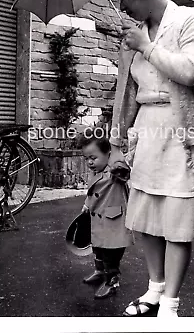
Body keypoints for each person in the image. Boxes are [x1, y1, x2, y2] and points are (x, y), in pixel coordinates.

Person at [106, 0, 194, 317]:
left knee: (178, 224)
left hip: (184, 137)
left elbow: (188, 72)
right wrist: (118, 145)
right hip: (147, 137)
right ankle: (154, 289)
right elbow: (126, 95)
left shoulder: (193, 20)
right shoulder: (133, 37)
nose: (121, 7)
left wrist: (147, 47)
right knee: (148, 221)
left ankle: (170, 303)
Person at [79, 128, 133, 299]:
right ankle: (100, 271)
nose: (89, 162)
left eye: (93, 158)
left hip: (113, 222)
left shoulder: (115, 172)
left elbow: (124, 171)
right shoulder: (95, 173)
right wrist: (87, 205)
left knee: (111, 254)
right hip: (98, 220)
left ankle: (112, 280)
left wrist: (117, 161)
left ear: (107, 154)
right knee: (98, 249)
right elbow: (92, 193)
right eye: (86, 158)